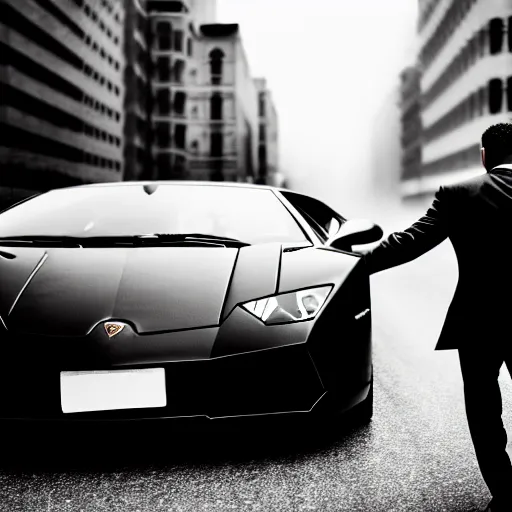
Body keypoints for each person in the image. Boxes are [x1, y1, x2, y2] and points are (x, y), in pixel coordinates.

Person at [364, 122, 512, 512]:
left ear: (484, 154)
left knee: (483, 409)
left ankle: (507, 493)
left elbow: (410, 242)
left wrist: (352, 265)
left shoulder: (460, 195)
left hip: (480, 319)